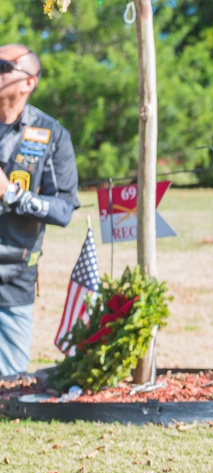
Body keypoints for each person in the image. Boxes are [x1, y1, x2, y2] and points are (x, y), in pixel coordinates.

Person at [0, 44, 80, 376]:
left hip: (13, 275)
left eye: (3, 66)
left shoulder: (52, 135)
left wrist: (11, 194)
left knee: (9, 383)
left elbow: (63, 209)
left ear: (29, 82)